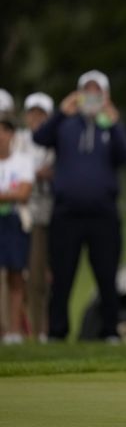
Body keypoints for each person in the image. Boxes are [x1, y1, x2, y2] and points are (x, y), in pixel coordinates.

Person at [33, 70, 126, 342]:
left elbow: (125, 156)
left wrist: (114, 122)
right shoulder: (65, 124)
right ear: (78, 94)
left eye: (96, 91)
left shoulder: (109, 125)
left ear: (105, 95)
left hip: (103, 214)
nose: (91, 96)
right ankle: (56, 331)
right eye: (86, 91)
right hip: (67, 213)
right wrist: (61, 113)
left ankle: (110, 330)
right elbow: (39, 138)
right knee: (62, 276)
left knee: (107, 275)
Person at [16, 93, 55, 342]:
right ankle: (21, 330)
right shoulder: (17, 139)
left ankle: (43, 330)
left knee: (42, 278)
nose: (36, 118)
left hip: (47, 214)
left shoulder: (55, 141)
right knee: (19, 277)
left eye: (41, 114)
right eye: (33, 113)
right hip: (19, 214)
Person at [0, 115, 34, 344]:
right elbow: (16, 193)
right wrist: (9, 195)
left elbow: (23, 194)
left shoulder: (23, 161)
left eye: (4, 131)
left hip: (14, 222)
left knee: (15, 276)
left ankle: (13, 331)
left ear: (12, 135)